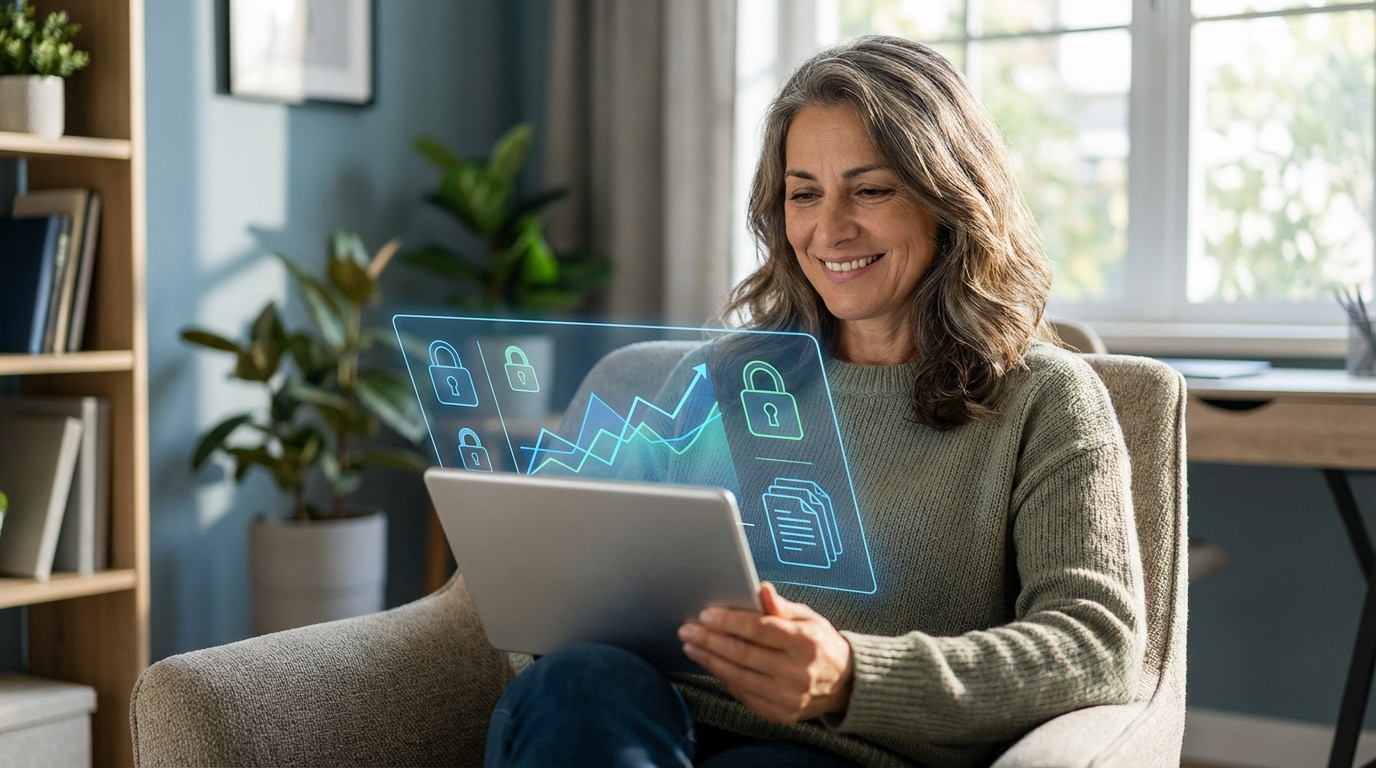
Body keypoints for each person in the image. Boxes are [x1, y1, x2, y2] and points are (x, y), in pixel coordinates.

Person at [484, 34, 1145, 768]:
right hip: (649, 719)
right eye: (804, 193)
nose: (829, 229)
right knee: (576, 684)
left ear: (948, 201)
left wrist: (852, 676)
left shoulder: (1047, 400)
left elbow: (1096, 645)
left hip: (843, 750)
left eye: (870, 189)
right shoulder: (723, 377)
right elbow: (571, 593)